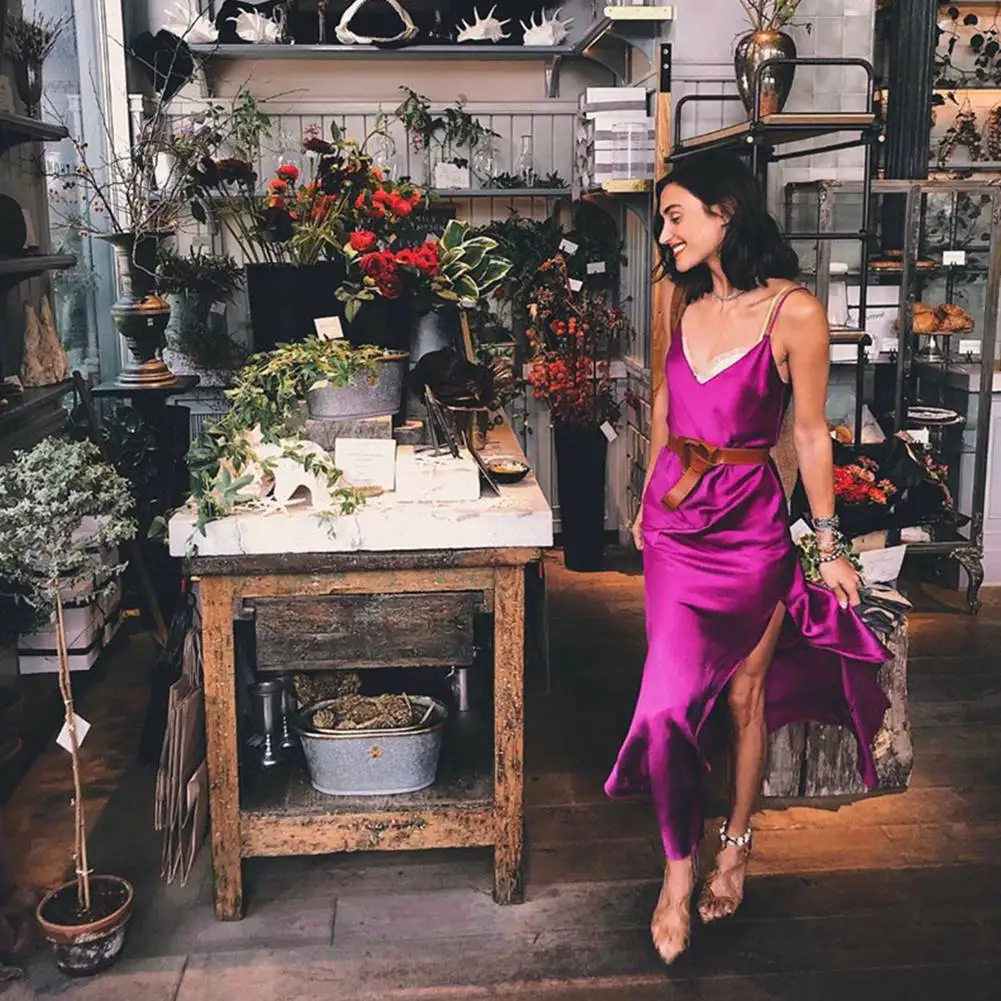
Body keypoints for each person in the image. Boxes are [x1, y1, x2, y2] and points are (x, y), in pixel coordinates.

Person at [603, 151, 890, 965]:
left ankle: (734, 842)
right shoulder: (680, 300)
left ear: (724, 210)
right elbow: (666, 406)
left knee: (742, 698)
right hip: (676, 530)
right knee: (665, 705)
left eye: (675, 215)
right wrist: (646, 499)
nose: (665, 233)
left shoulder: (794, 312)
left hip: (749, 530)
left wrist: (826, 546)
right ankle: (676, 872)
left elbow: (808, 434)